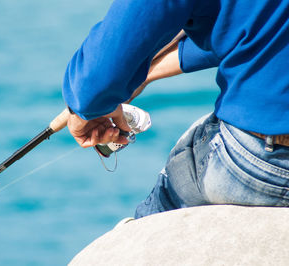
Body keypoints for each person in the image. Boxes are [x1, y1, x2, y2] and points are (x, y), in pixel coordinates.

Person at [62, 0, 289, 219]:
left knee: (151, 227)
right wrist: (146, 75)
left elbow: (94, 82)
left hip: (264, 161)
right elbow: (252, 29)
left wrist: (81, 109)